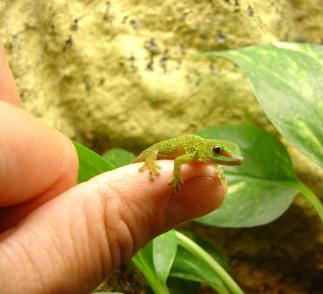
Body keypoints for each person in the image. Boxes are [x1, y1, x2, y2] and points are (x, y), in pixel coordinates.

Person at [0, 40, 226, 293]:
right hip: (156, 154)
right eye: (218, 153)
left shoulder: (204, 156)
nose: (224, 158)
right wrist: (167, 175)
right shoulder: (193, 152)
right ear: (210, 149)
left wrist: (216, 166)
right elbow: (180, 163)